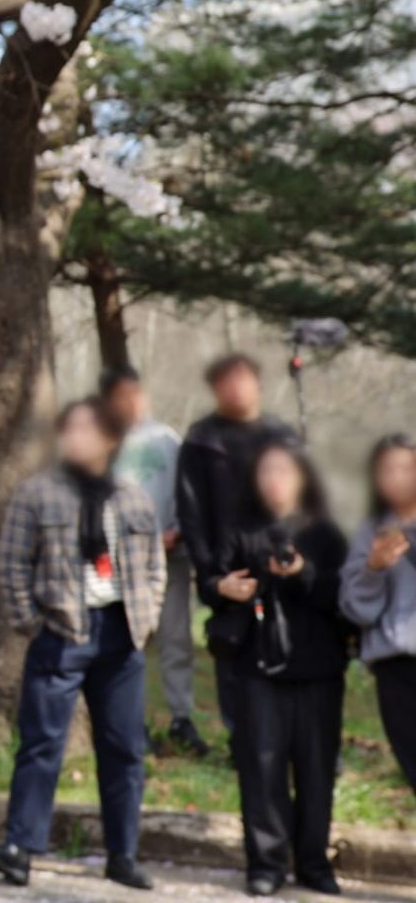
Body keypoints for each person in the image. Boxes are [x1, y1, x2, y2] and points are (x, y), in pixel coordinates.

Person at [0, 398, 165, 892]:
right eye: (70, 429)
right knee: (41, 745)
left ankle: (123, 853)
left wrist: (148, 618)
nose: (77, 438)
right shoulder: (38, 493)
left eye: (89, 429)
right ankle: (19, 851)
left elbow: (154, 568)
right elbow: (11, 564)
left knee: (124, 748)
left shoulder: (134, 497)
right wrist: (31, 623)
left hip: (121, 634)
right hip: (61, 631)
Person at [203, 439, 348, 896]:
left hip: (319, 670)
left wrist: (303, 572)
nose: (275, 481)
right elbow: (208, 583)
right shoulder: (238, 530)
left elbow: (343, 600)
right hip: (256, 667)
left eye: (284, 471)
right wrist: (225, 586)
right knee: (260, 768)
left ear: (303, 477)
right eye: (266, 472)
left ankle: (313, 863)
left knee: (316, 770)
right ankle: (265, 864)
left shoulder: (325, 534)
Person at [176, 353, 296, 732]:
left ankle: (298, 739)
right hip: (229, 569)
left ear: (258, 383)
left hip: (282, 564)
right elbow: (191, 513)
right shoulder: (202, 440)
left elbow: (306, 499)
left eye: (242, 378)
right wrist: (211, 577)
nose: (235, 388)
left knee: (293, 647)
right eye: (226, 380)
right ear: (214, 388)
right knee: (234, 655)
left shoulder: (282, 436)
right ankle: (243, 741)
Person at [102, 366, 207, 758]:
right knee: (129, 645)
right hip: (120, 566)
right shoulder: (103, 442)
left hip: (170, 558)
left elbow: (186, 493)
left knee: (175, 639)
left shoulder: (166, 440)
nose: (132, 403)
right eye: (123, 395)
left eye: (137, 393)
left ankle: (181, 717)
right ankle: (132, 720)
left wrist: (177, 533)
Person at [340, 433, 416, 797]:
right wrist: (374, 568)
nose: (398, 476)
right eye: (388, 469)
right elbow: (355, 606)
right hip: (394, 666)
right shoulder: (372, 531)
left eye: (406, 467)